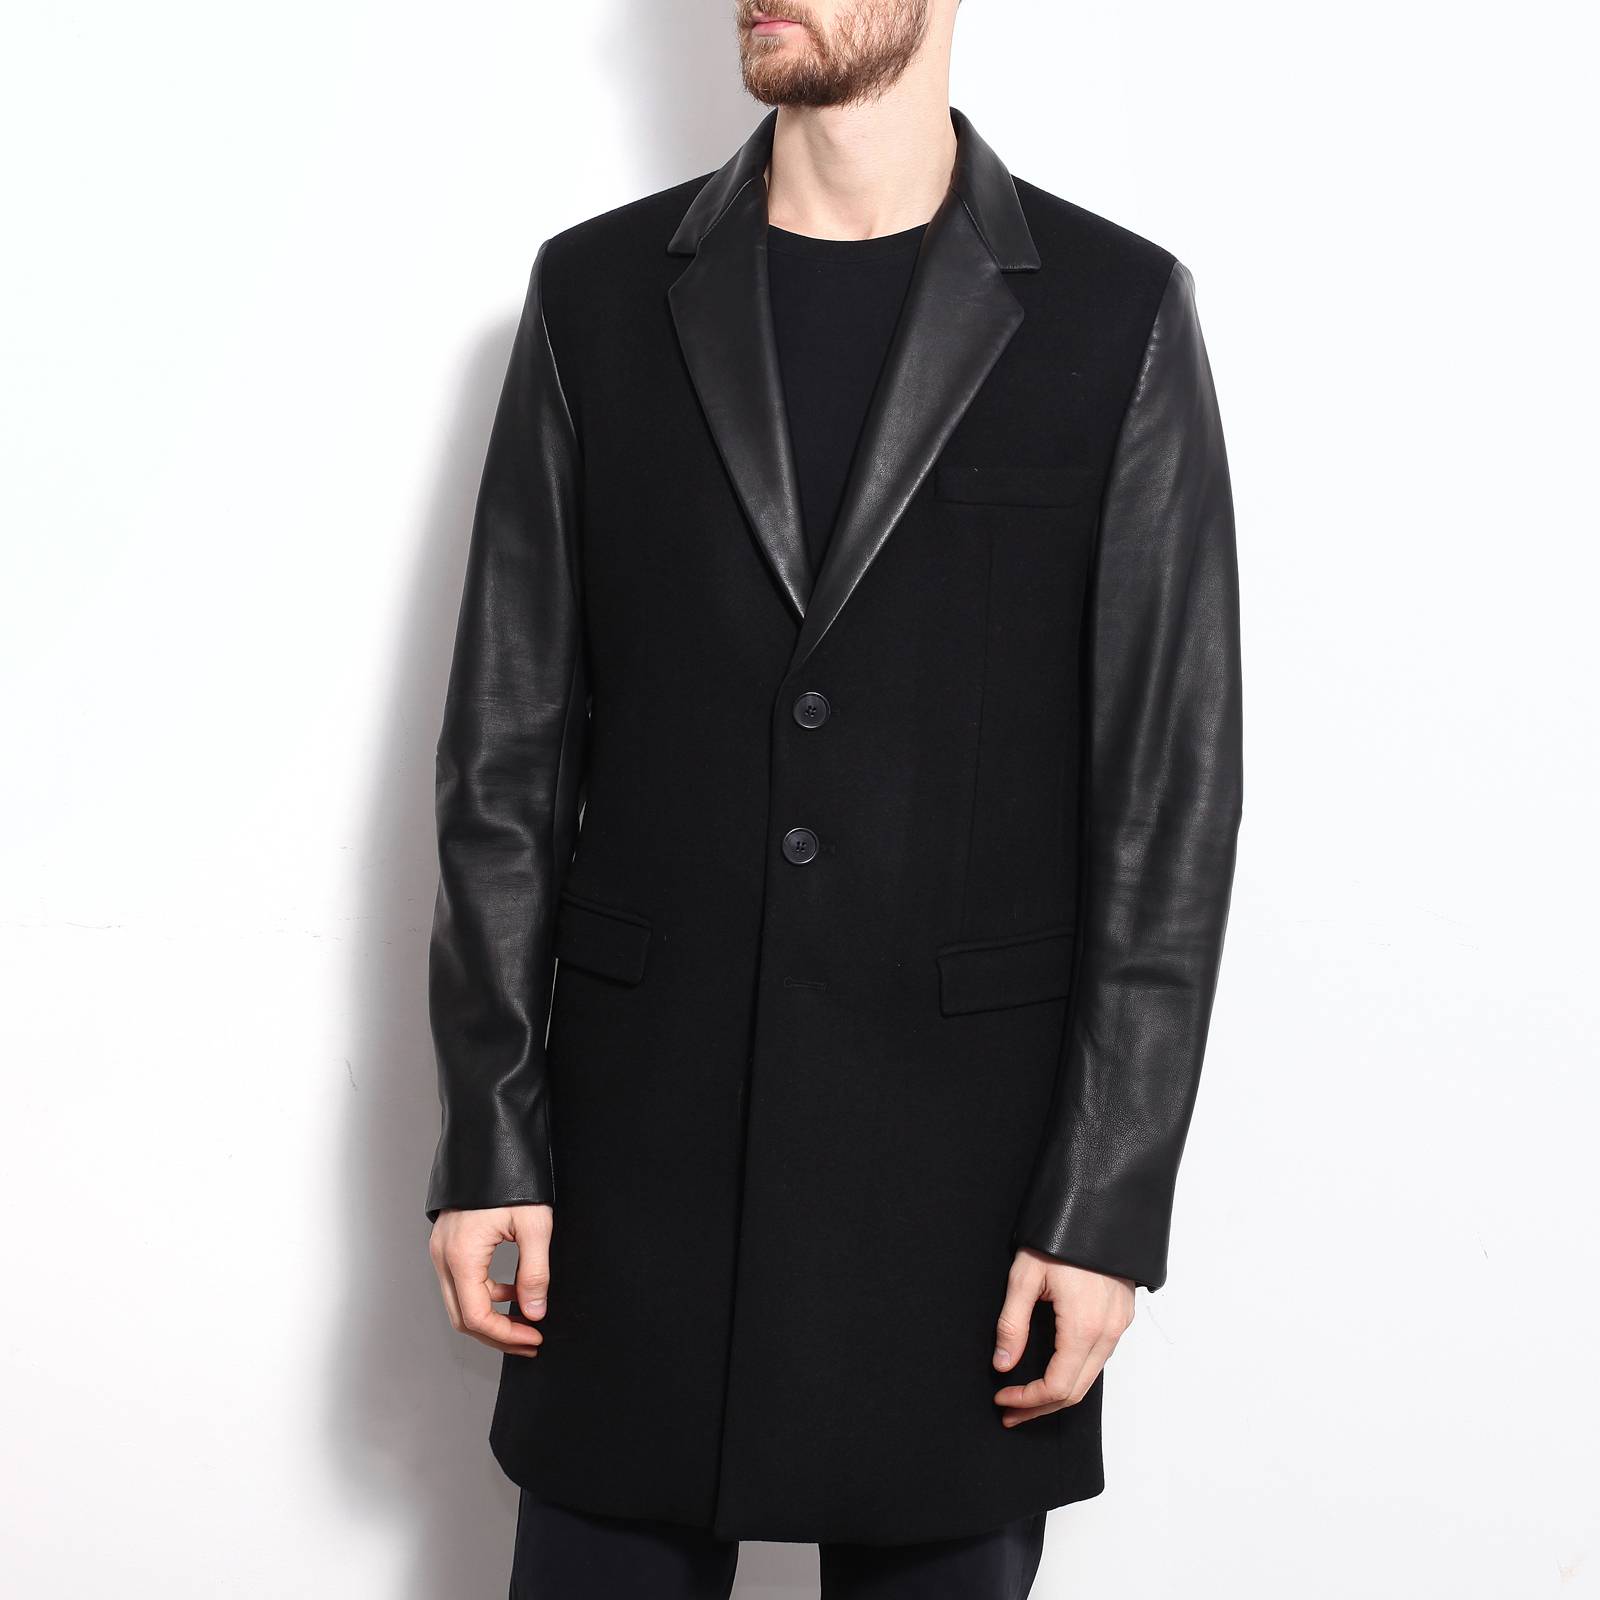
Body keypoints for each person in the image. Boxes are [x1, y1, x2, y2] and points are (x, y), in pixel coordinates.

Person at [424, 1, 1243, 1594]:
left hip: (962, 1196)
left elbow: (1166, 807)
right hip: (634, 1176)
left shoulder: (1115, 310)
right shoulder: (597, 295)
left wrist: (1104, 1201)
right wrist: (490, 1137)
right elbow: (503, 759)